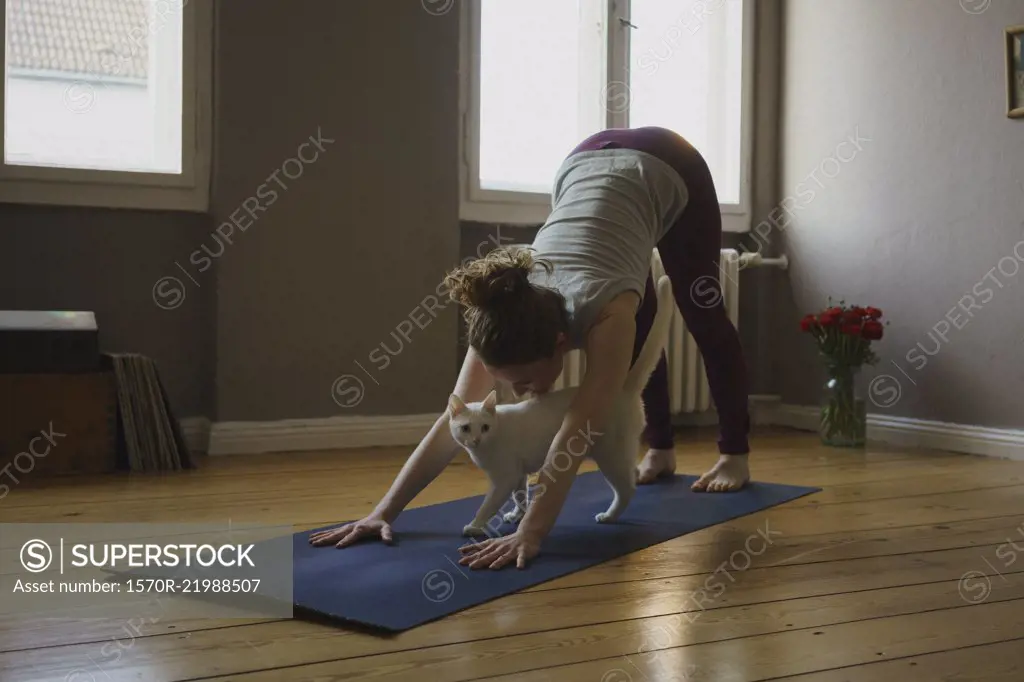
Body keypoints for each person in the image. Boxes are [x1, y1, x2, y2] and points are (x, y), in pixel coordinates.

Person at [310, 126, 751, 570]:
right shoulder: (504, 315)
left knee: (703, 315)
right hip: (582, 162)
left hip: (669, 163)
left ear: (561, 343)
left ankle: (734, 454)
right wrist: (383, 511)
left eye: (522, 381)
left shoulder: (608, 312)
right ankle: (661, 449)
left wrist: (532, 529)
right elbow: (451, 424)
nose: (520, 394)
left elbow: (575, 434)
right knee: (638, 319)